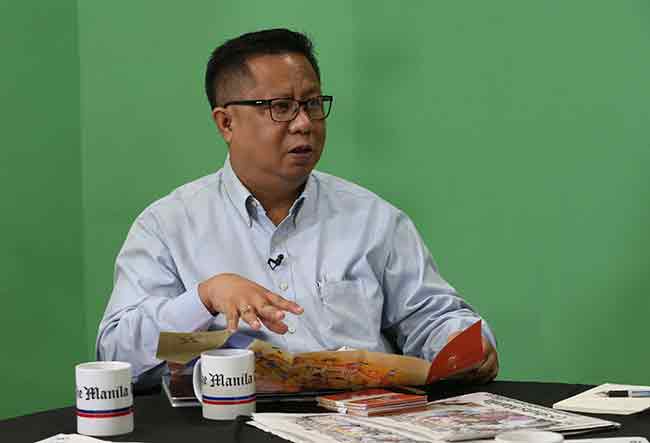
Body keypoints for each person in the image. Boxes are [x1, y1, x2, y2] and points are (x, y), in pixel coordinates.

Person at [97, 28, 499, 389]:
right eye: (281, 107)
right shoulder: (167, 225)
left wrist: (463, 341)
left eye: (312, 103)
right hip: (231, 423)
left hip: (362, 421)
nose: (304, 123)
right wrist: (204, 298)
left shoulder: (373, 219)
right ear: (226, 123)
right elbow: (118, 356)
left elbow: (430, 316)